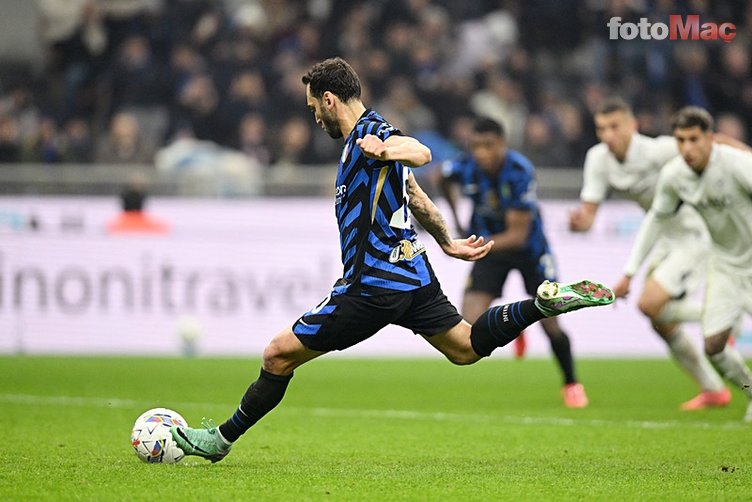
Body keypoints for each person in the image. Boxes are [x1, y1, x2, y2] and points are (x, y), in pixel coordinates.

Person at [170, 57, 614, 462]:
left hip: (372, 286)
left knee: (276, 355)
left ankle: (220, 440)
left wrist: (388, 149)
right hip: (414, 276)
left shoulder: (372, 133)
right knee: (466, 347)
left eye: (313, 108)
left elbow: (420, 153)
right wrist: (447, 242)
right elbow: (416, 196)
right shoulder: (355, 144)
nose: (314, 116)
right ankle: (541, 305)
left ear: (329, 99)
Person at [568, 98, 730, 411]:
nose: (608, 135)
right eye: (602, 128)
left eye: (615, 127)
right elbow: (588, 216)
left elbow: (715, 143)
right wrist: (579, 223)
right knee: (660, 320)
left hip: (696, 233)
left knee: (649, 303)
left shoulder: (658, 150)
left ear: (632, 125)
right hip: (665, 238)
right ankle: (712, 389)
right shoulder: (598, 159)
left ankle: (726, 317)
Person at [613, 106, 752, 422]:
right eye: (680, 140)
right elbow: (655, 221)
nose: (687, 148)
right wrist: (629, 272)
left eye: (693, 139)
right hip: (726, 266)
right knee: (714, 347)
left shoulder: (737, 165)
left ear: (710, 139)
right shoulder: (674, 175)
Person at [439, 117, 589, 408]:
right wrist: (456, 219)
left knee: (551, 325)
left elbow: (517, 236)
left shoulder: (519, 171)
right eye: (476, 146)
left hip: (529, 251)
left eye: (488, 146)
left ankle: (571, 384)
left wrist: (471, 242)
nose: (481, 153)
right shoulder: (465, 165)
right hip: (489, 250)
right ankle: (515, 321)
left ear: (502, 145)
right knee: (469, 323)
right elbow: (441, 177)